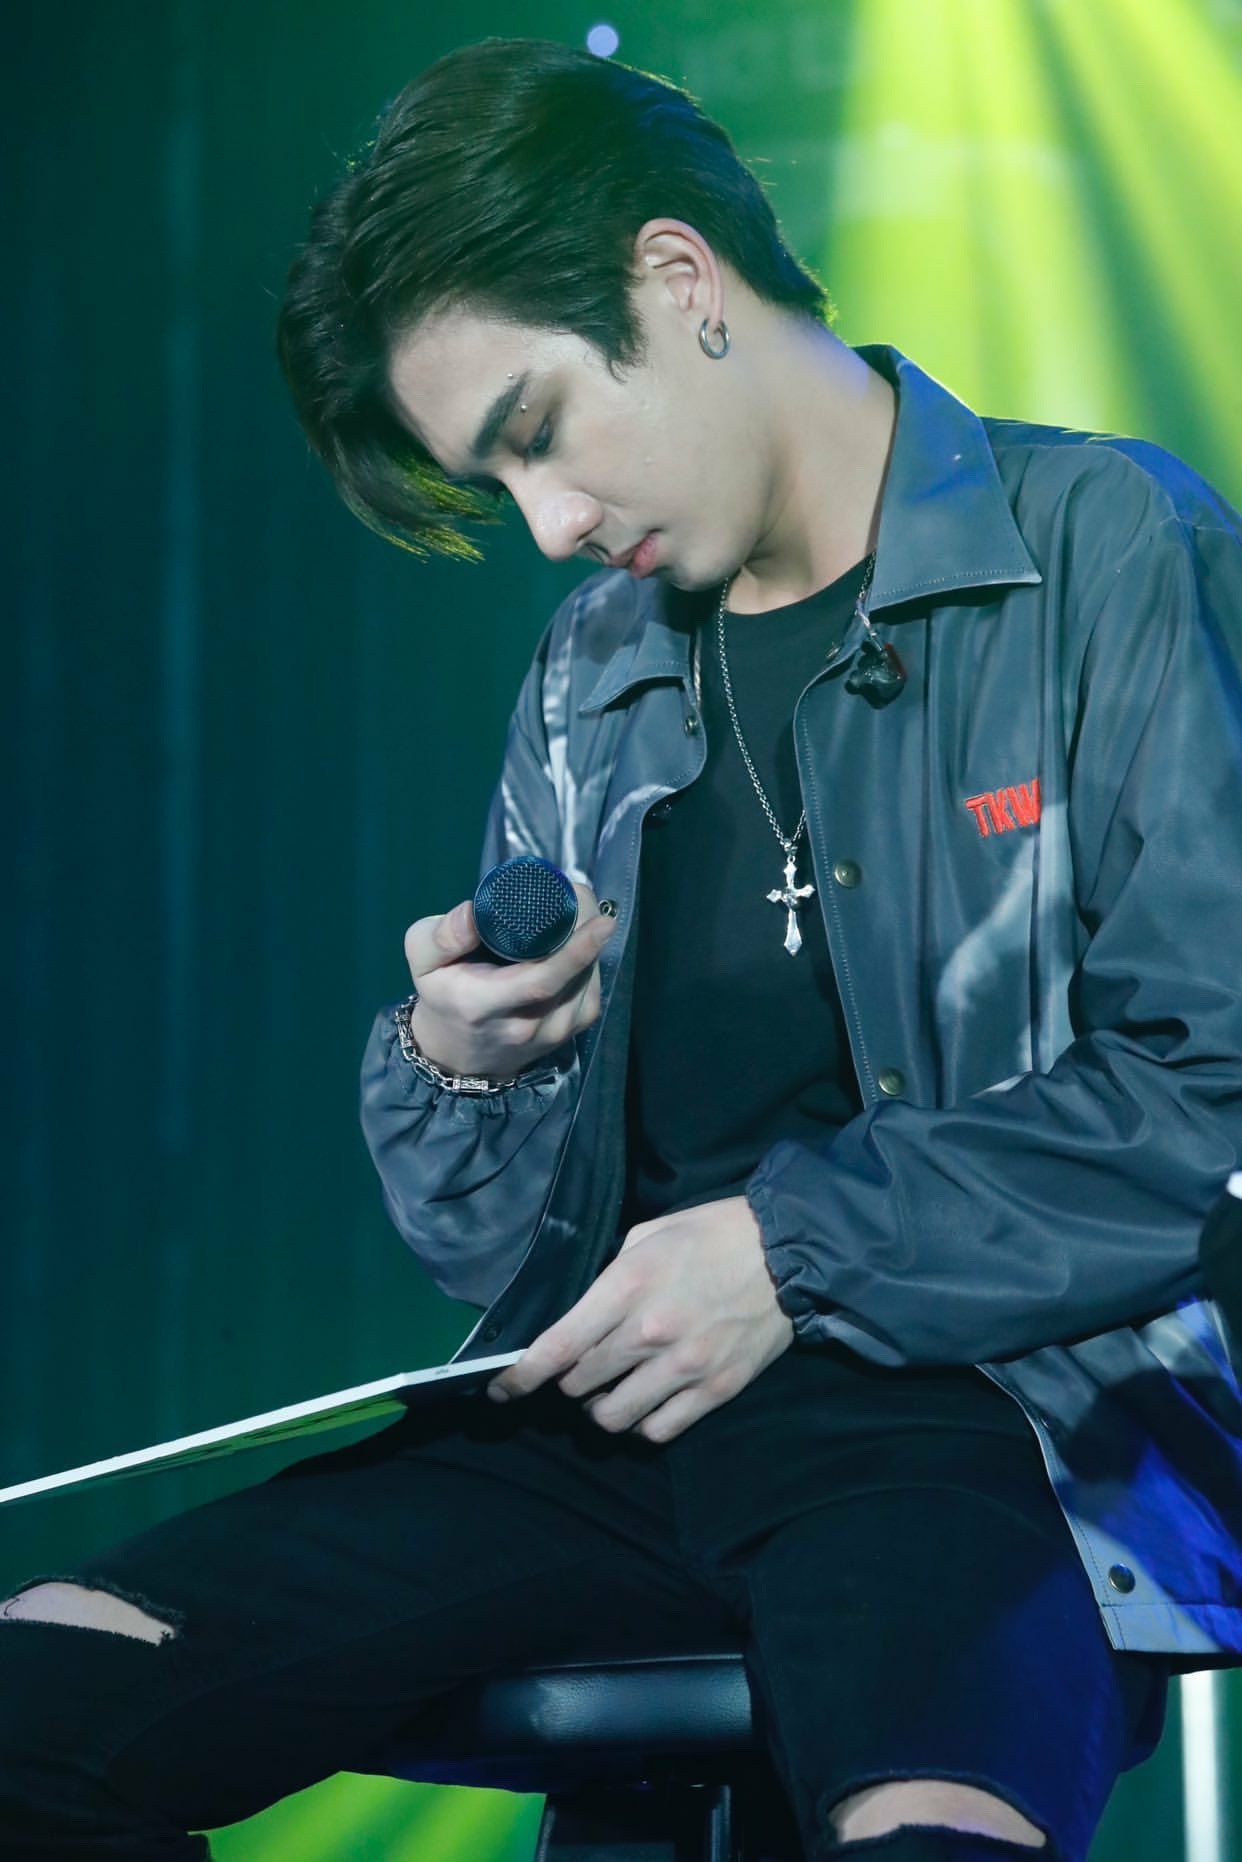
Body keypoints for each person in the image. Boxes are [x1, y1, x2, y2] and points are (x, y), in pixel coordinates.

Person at [2, 35, 1241, 1862]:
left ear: (677, 279)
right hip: (601, 1435)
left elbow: (1207, 1095)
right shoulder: (593, 664)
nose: (551, 526)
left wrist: (790, 1250)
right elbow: (500, 1251)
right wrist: (461, 1071)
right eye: (496, 481)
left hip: (987, 1435)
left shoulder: (1106, 541)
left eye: (535, 434)